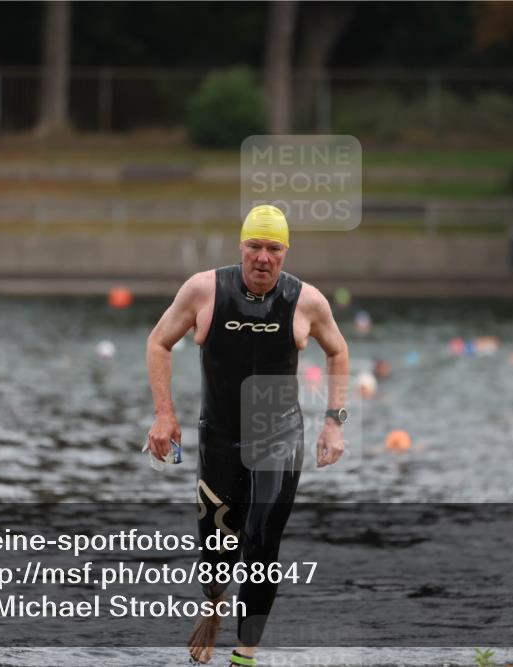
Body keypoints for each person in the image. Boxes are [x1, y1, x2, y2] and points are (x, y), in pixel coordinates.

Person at [146, 204, 350, 666]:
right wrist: (164, 416)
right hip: (218, 436)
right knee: (218, 546)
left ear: (285, 252)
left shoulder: (307, 301)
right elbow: (158, 342)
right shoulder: (204, 290)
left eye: (273, 248)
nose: (263, 257)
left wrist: (334, 422)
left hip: (278, 437)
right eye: (254, 246)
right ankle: (215, 607)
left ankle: (245, 653)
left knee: (262, 539)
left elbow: (339, 352)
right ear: (241, 247)